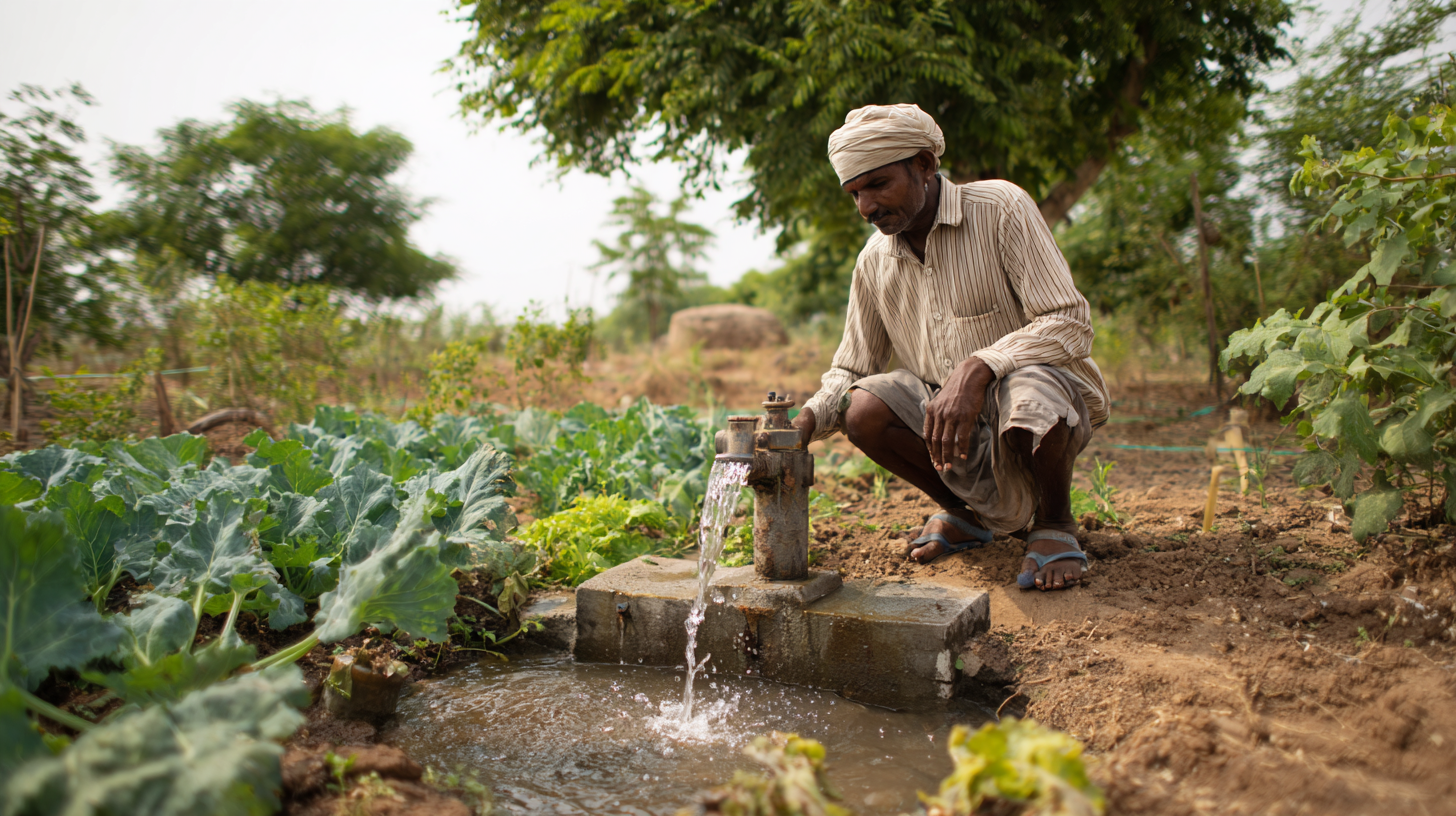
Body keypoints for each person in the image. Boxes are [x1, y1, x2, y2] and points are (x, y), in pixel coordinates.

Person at [792, 103, 1110, 592]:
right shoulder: (874, 261)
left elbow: (1068, 321)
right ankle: (968, 515)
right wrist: (803, 426)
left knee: (1027, 387)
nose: (866, 208)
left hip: (1042, 404)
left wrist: (981, 365)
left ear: (924, 164)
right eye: (854, 193)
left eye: (878, 185)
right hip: (949, 422)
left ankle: (1055, 523)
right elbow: (852, 366)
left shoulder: (1001, 207)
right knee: (862, 408)